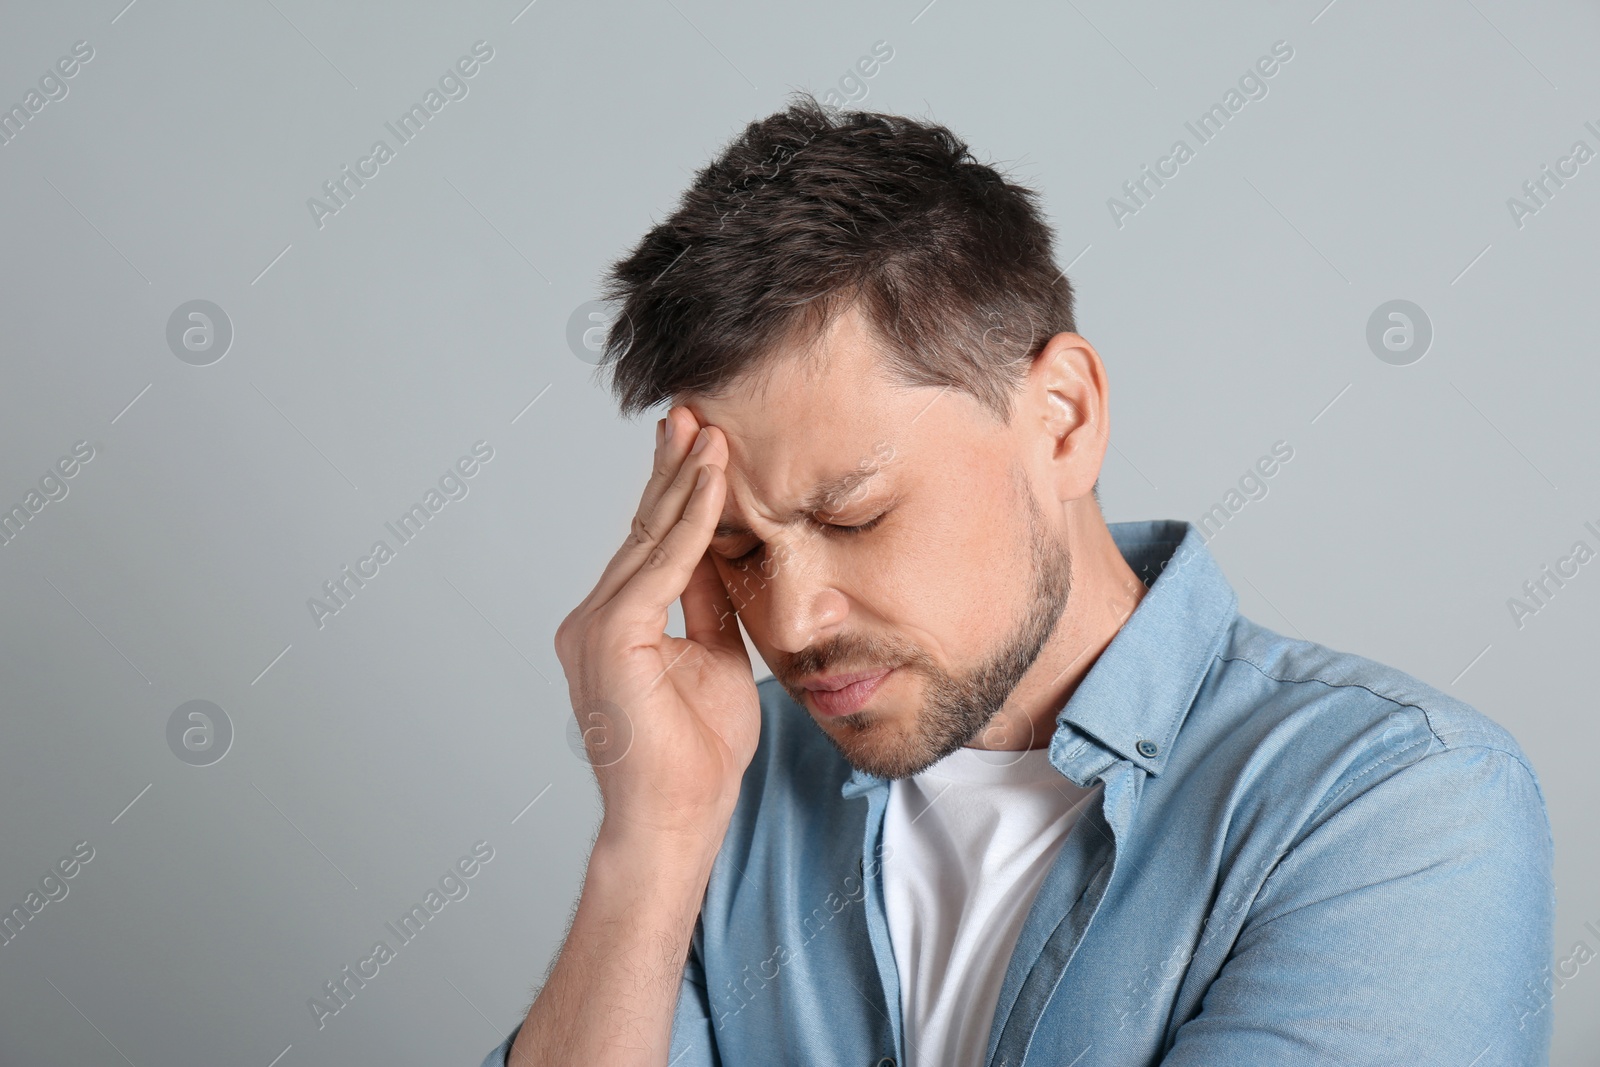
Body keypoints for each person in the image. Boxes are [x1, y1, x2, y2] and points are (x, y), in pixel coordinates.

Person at [483, 94, 1553, 1066]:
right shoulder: (725, 796)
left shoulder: (1396, 802)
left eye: (854, 513)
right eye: (738, 550)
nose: (793, 620)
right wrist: (653, 840)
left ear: (1063, 418)